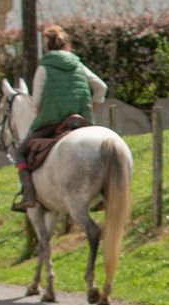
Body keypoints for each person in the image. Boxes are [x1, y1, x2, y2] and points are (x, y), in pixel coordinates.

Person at [14, 25, 108, 211]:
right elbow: (101, 87)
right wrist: (93, 107)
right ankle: (106, 192)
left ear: (48, 47)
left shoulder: (44, 67)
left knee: (19, 152)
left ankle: (29, 195)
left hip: (52, 121)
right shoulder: (78, 64)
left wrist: (43, 109)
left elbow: (37, 101)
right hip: (80, 120)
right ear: (67, 45)